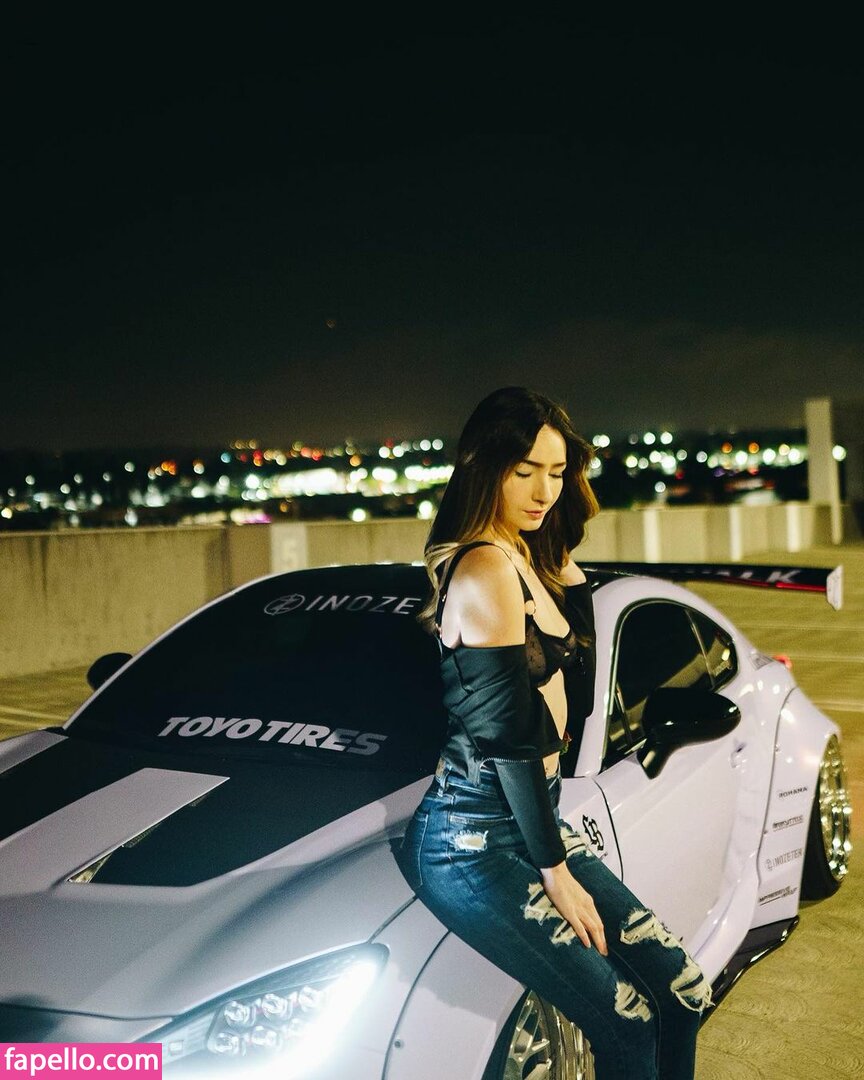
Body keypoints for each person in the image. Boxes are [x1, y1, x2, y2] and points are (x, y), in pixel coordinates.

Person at [397, 387, 711, 1080]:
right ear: (485, 468)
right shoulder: (485, 567)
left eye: (558, 472)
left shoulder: (524, 557)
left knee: (681, 993)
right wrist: (556, 873)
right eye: (525, 472)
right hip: (471, 841)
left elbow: (576, 675)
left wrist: (569, 574)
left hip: (530, 817)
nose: (544, 491)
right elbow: (510, 737)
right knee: (628, 1022)